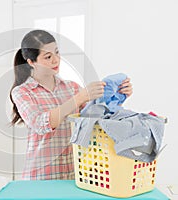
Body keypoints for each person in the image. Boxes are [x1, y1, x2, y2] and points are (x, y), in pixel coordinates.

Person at [9, 30, 132, 180]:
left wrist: (118, 96)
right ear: (31, 62)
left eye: (57, 52)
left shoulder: (71, 87)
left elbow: (96, 116)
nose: (56, 60)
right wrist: (78, 98)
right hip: (42, 177)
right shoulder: (22, 92)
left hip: (75, 174)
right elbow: (40, 124)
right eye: (48, 57)